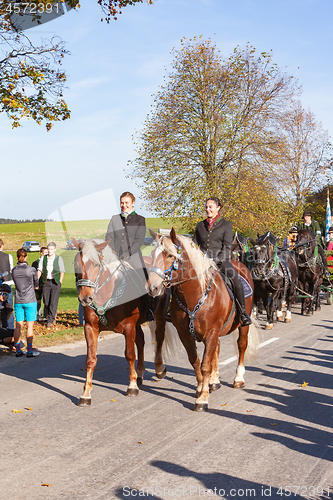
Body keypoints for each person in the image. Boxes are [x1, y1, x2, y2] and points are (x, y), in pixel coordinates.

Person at [193, 197, 252, 326]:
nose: (207, 209)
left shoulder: (226, 225)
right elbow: (194, 245)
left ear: (218, 207)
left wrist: (216, 259)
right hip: (202, 261)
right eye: (206, 207)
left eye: (210, 207)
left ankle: (243, 313)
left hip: (220, 260)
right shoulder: (200, 225)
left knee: (236, 279)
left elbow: (227, 247)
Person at [105, 191, 154, 321]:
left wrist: (126, 254)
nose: (124, 205)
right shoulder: (114, 219)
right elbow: (109, 237)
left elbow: (139, 240)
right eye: (122, 202)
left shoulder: (140, 220)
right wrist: (114, 252)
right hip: (114, 256)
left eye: (126, 203)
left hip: (133, 256)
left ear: (132, 203)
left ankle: (149, 309)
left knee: (144, 277)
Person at [12, 248, 39, 357]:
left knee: (18, 326)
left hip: (18, 300)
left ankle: (18, 350)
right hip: (30, 300)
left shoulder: (14, 270)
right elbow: (36, 284)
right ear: (26, 256)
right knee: (30, 326)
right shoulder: (31, 269)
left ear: (17, 257)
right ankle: (29, 351)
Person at [37, 242, 65, 327]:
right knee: (46, 301)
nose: (50, 251)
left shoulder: (58, 258)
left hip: (55, 282)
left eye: (52, 249)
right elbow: (39, 270)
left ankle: (50, 320)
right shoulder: (43, 258)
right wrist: (36, 281)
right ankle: (52, 315)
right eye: (49, 249)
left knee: (53, 301)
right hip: (46, 282)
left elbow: (62, 271)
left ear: (55, 250)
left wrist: (60, 281)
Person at [298, 210, 330, 276]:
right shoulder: (301, 226)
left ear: (310, 217)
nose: (305, 219)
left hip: (315, 243)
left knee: (323, 254)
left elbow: (318, 233)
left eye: (306, 217)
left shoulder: (315, 224)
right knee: (294, 253)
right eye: (304, 217)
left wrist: (314, 240)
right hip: (303, 245)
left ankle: (325, 270)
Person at [0, 239, 15, 329]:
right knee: (9, 307)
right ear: (2, 246)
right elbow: (11, 270)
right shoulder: (8, 256)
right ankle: (10, 330)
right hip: (7, 284)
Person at [32, 246, 48, 321]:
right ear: (41, 253)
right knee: (38, 300)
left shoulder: (48, 263)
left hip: (46, 284)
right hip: (38, 284)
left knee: (46, 300)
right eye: (45, 253)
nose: (46, 254)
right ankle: (38, 315)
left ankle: (45, 316)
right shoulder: (35, 263)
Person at [0, 283, 15, 348]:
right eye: (2, 294)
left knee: (17, 334)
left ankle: (2, 341)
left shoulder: (5, 304)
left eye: (6, 294)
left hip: (2, 329)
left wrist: (10, 310)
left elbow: (6, 319)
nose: (4, 296)